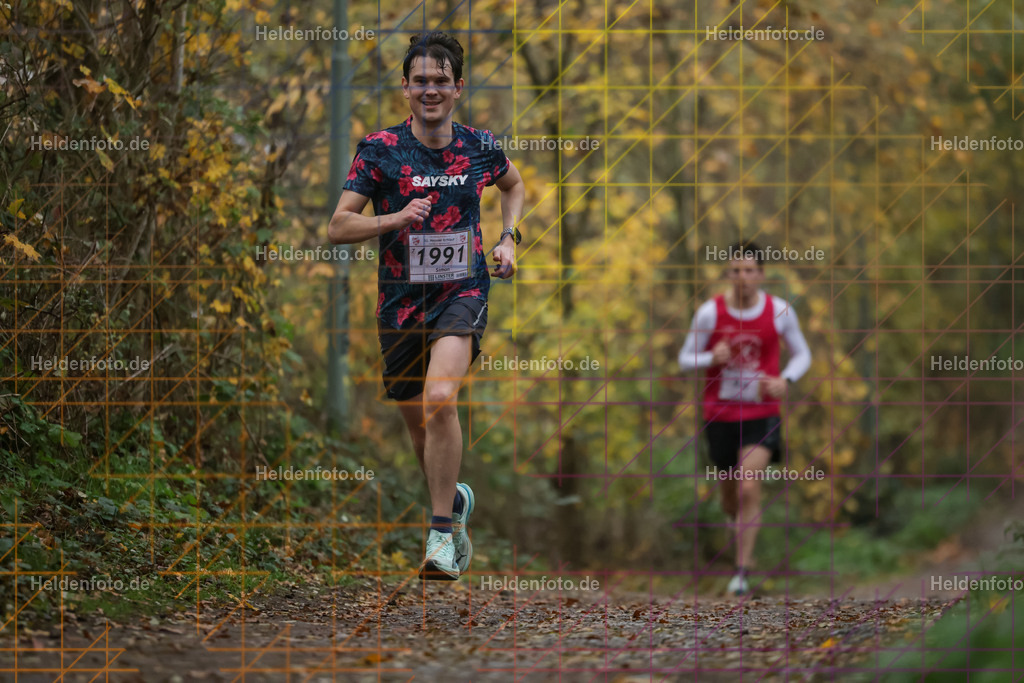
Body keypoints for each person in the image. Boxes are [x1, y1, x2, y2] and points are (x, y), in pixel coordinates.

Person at [328, 32, 525, 580]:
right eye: (421, 81)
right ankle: (454, 500)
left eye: (441, 81)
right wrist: (394, 218)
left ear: (458, 88)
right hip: (399, 305)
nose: (430, 90)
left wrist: (509, 238)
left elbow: (513, 186)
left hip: (462, 291)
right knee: (420, 429)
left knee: (442, 399)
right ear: (405, 87)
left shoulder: (480, 146)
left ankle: (440, 536)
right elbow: (338, 226)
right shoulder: (380, 150)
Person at [678, 241, 811, 596]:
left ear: (761, 274)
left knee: (748, 486)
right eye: (736, 270)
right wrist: (711, 357)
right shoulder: (710, 313)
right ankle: (733, 520)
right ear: (728, 274)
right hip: (720, 414)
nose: (743, 277)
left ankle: (741, 572)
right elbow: (684, 359)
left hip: (761, 412)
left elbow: (803, 354)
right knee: (730, 497)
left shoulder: (779, 311)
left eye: (750, 270)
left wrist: (786, 380)